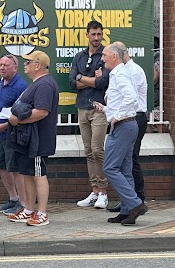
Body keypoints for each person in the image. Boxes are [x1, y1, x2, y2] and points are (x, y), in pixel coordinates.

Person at [7, 51, 59, 226]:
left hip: (38, 139)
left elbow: (42, 111)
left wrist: (17, 119)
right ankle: (28, 209)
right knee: (27, 174)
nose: (25, 65)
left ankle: (42, 213)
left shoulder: (45, 84)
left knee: (38, 174)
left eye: (28, 62)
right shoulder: (36, 83)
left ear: (37, 65)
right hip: (28, 139)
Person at [100, 43, 148, 226]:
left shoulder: (119, 74)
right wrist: (106, 110)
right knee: (125, 169)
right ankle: (128, 210)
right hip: (127, 125)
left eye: (105, 55)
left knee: (110, 168)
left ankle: (135, 204)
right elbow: (122, 100)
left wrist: (117, 116)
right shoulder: (119, 73)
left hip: (123, 126)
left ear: (114, 56)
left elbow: (131, 98)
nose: (102, 58)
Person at [69, 20, 110, 209]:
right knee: (88, 151)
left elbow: (102, 83)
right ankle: (94, 191)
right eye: (93, 34)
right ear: (87, 35)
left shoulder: (106, 56)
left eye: (99, 34)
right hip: (82, 107)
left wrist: (82, 78)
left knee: (97, 150)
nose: (96, 38)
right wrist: (91, 79)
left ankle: (103, 192)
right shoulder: (79, 56)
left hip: (99, 109)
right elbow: (72, 83)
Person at [0, 55, 28, 215]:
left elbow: (22, 113)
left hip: (13, 133)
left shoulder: (20, 86)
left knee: (15, 169)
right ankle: (13, 198)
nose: (2, 67)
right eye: (0, 65)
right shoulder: (2, 82)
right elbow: (1, 103)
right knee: (0, 165)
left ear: (15, 67)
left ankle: (22, 202)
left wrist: (5, 125)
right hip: (2, 134)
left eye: (6, 65)